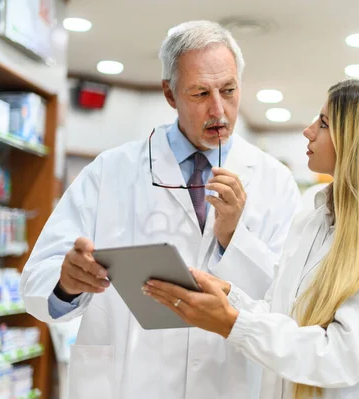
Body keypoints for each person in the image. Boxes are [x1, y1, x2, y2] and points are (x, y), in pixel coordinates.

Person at [20, 21, 301, 399]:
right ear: (170, 94)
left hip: (228, 383)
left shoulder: (275, 181)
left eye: (229, 91)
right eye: (201, 93)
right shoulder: (110, 172)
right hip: (131, 382)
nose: (219, 109)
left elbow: (290, 301)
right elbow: (39, 277)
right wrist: (67, 283)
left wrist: (235, 237)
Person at [145, 79, 359, 398]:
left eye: (323, 123)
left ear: (356, 141)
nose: (308, 131)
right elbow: (281, 314)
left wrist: (231, 323)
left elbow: (343, 357)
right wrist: (229, 296)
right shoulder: (314, 213)